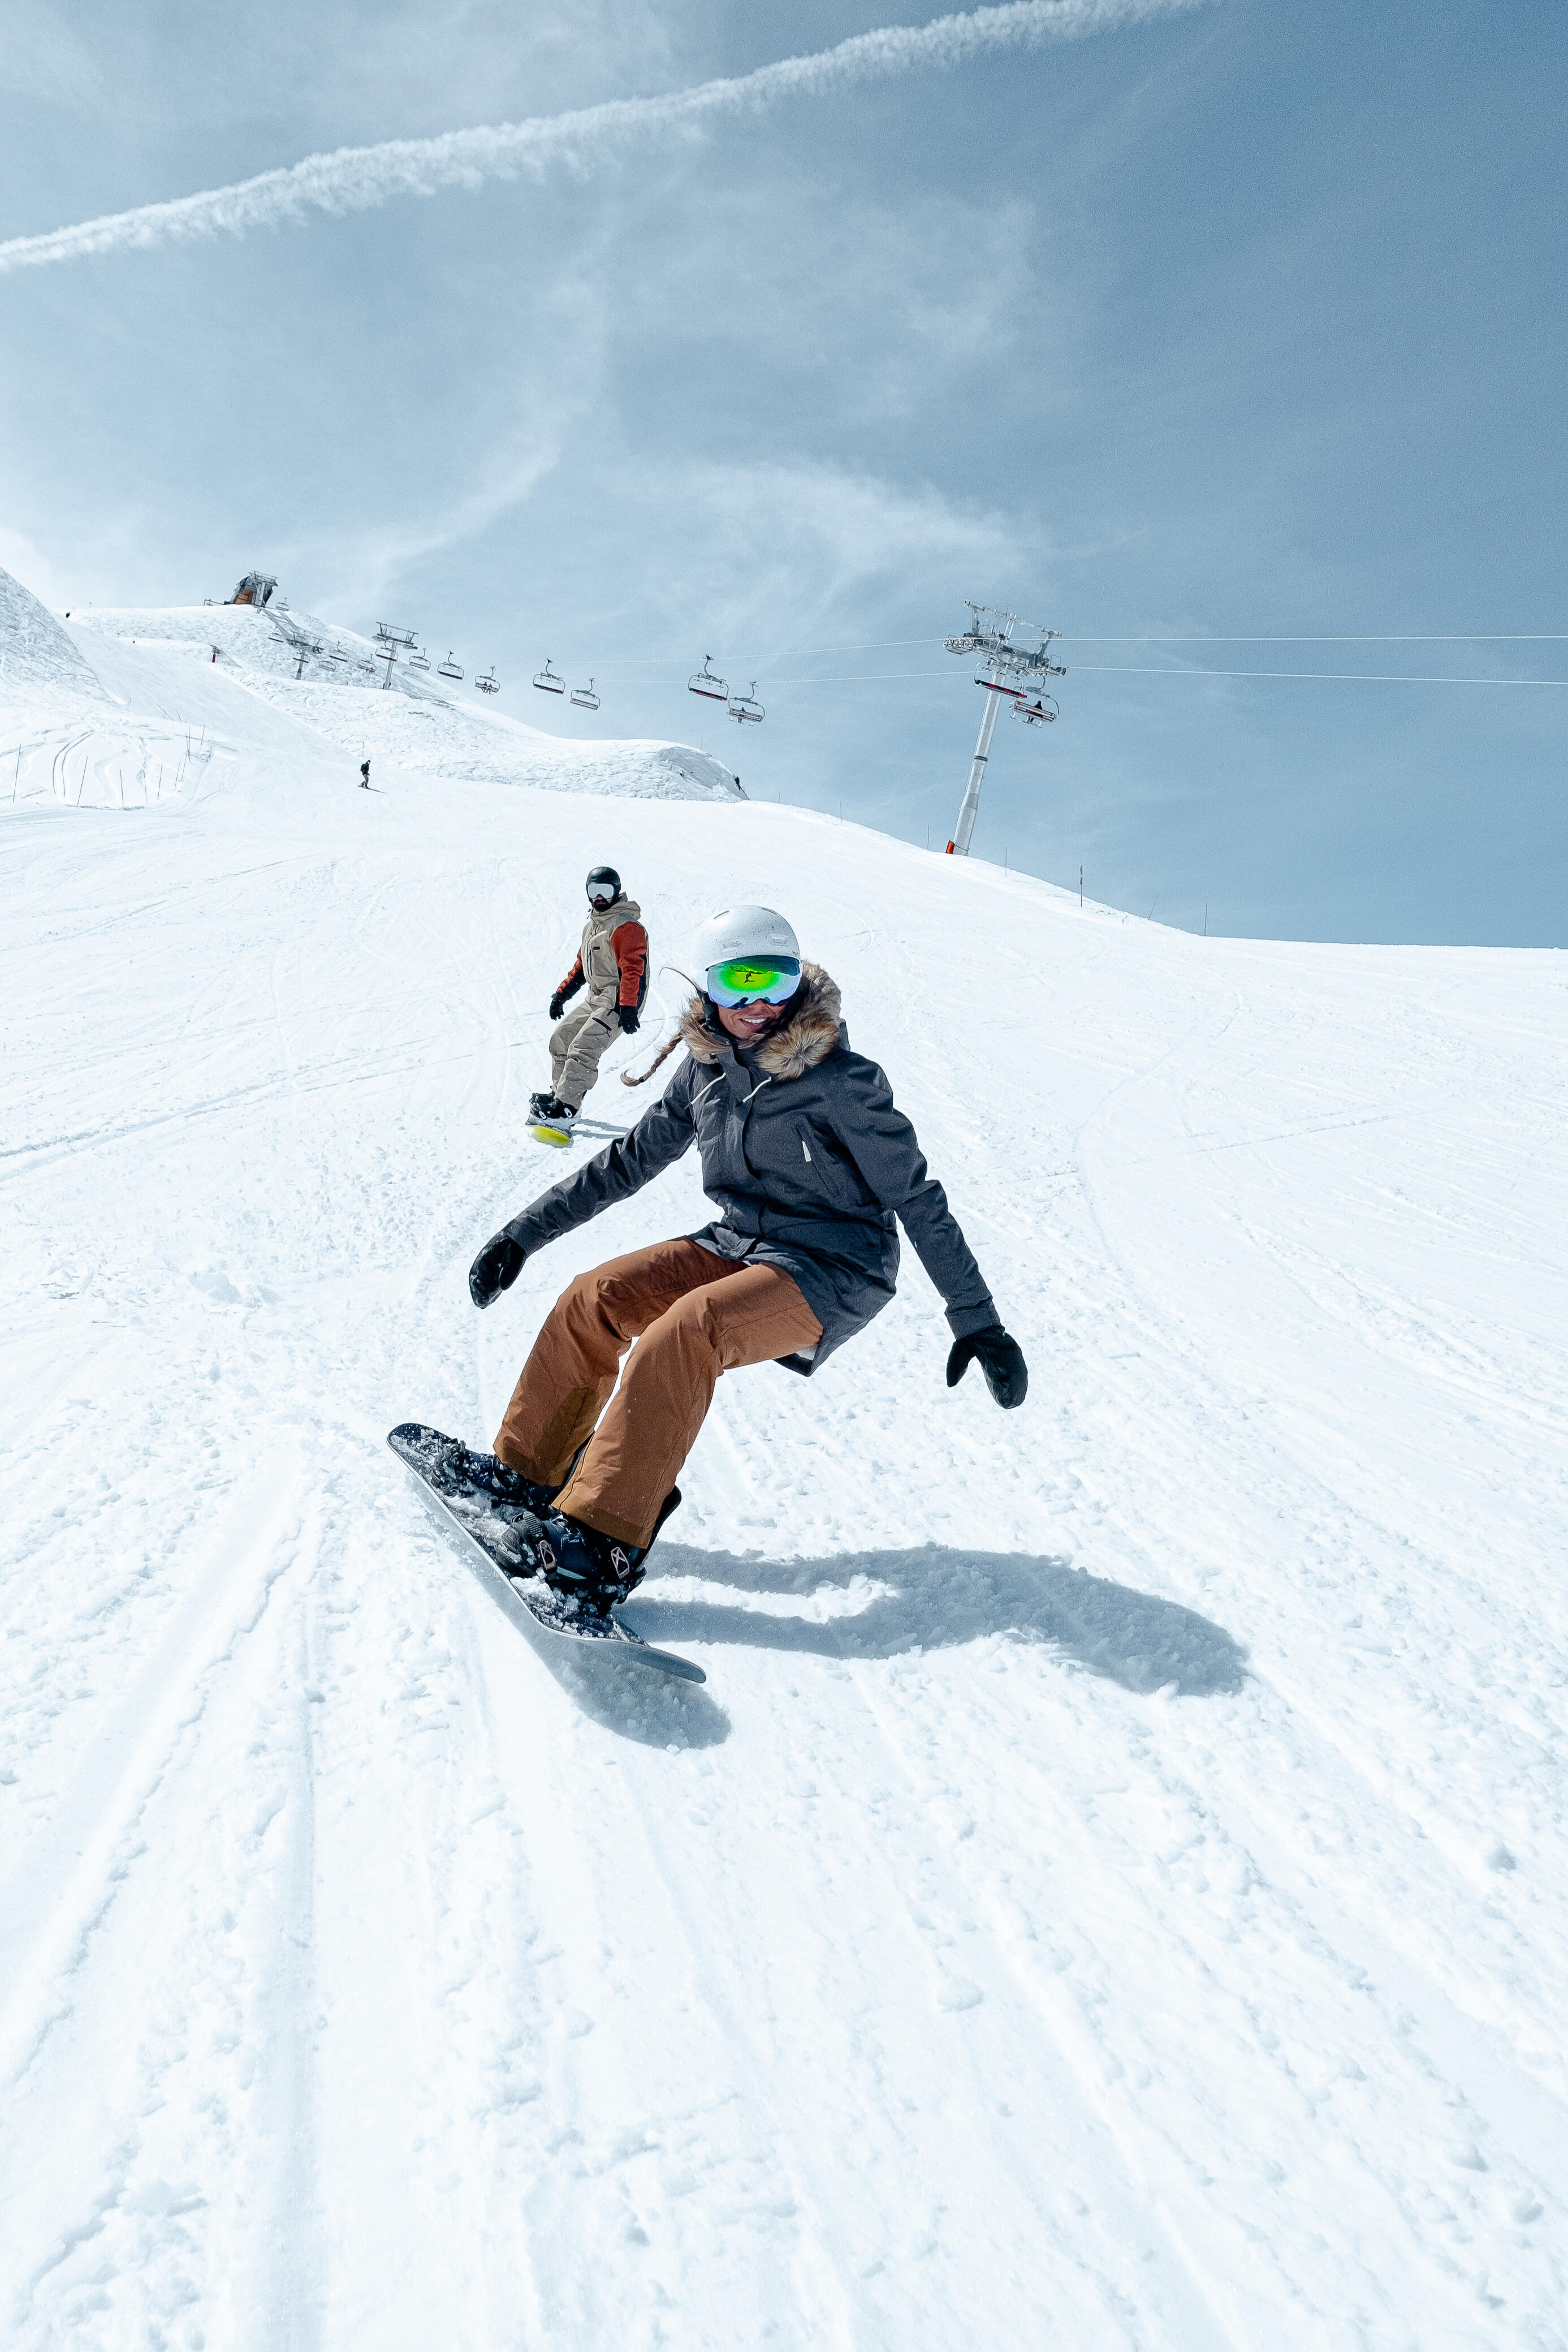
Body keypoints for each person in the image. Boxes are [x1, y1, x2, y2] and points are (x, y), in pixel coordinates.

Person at [464, 904, 1027, 1610]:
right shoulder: (701, 1075)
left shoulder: (842, 1081)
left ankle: (602, 1540)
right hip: (736, 1242)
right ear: (709, 991)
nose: (759, 1003)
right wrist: (522, 1234)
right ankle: (527, 1475)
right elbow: (625, 1164)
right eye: (739, 983)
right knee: (595, 1295)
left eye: (776, 980)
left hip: (833, 1267)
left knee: (688, 1329)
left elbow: (916, 1196)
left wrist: (977, 1320)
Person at [529, 865, 648, 1133]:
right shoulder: (593, 926)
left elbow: (633, 969)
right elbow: (582, 967)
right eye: (594, 891)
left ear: (616, 892)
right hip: (596, 998)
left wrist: (628, 1008)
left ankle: (567, 1108)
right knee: (561, 1040)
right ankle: (561, 1095)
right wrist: (561, 995)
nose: (599, 897)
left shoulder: (626, 927)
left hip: (618, 1002)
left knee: (584, 1048)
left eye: (605, 891)